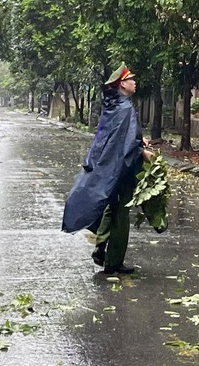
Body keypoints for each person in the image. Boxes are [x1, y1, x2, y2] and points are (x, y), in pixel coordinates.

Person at [61, 64, 153, 275]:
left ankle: (101, 247)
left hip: (108, 167)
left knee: (110, 206)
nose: (135, 82)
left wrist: (140, 139)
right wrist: (141, 151)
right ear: (122, 84)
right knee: (121, 213)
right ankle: (114, 261)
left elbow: (118, 136)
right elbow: (123, 143)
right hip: (120, 169)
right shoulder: (125, 108)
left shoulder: (114, 105)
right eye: (131, 79)